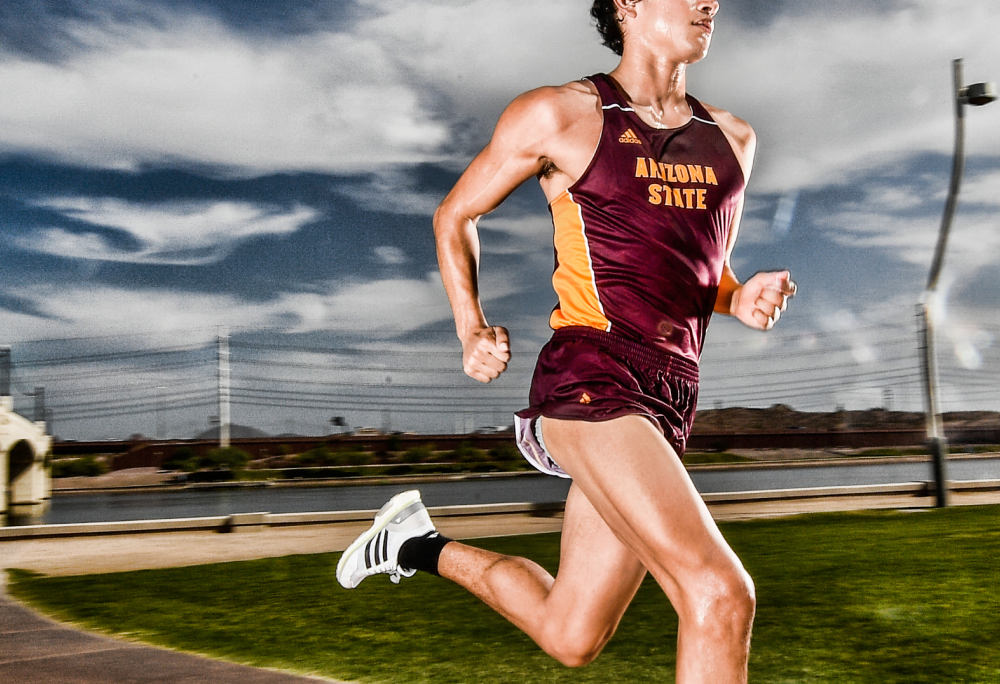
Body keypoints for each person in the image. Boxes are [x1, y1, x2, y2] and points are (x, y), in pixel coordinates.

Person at [334, 0, 794, 681]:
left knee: (570, 634)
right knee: (719, 595)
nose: (710, 3)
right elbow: (456, 213)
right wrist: (472, 326)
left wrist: (738, 297)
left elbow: (699, 267)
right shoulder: (562, 115)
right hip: (592, 375)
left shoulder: (733, 140)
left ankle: (415, 544)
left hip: (669, 398)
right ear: (628, 5)